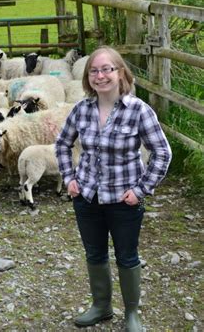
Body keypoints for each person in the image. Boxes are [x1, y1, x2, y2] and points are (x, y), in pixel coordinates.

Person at [55, 46, 172, 331]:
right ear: (88, 77)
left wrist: (141, 190)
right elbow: (62, 144)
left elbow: (162, 153)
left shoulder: (138, 111)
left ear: (120, 73)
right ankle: (101, 306)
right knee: (94, 254)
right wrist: (69, 177)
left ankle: (132, 313)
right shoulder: (81, 109)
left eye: (107, 69)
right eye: (94, 70)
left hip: (124, 200)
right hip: (87, 196)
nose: (100, 75)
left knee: (127, 255)